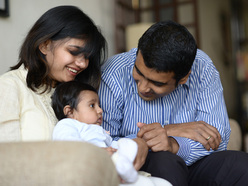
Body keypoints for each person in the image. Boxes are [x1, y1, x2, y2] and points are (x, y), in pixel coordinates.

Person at [98, 20, 248, 185]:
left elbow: (217, 138)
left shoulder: (202, 67)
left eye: (157, 83)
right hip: (150, 166)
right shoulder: (113, 73)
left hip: (195, 162)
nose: (143, 87)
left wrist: (174, 144)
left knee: (241, 165)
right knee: (166, 162)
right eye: (138, 72)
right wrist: (169, 130)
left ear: (183, 77)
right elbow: (104, 141)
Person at [0, 5, 106, 141]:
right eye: (74, 51)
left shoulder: (79, 95)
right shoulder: (9, 86)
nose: (83, 64)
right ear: (45, 45)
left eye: (87, 57)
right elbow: (6, 155)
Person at [52, 80, 138, 183]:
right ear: (70, 112)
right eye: (92, 105)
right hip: (88, 170)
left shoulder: (100, 131)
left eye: (99, 105)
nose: (100, 110)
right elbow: (68, 147)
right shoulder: (67, 124)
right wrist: (97, 153)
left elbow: (111, 144)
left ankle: (124, 168)